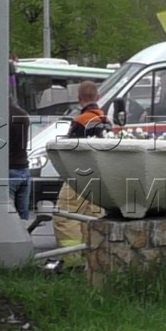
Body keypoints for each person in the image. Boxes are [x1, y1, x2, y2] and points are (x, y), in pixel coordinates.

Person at [50, 81, 109, 267]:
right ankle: (92, 260)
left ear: (78, 98)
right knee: (91, 219)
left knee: (65, 216)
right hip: (100, 178)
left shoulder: (80, 121)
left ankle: (72, 262)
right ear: (97, 97)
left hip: (79, 176)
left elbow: (71, 150)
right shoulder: (106, 120)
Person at [7, 97, 34, 222]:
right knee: (23, 214)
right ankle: (24, 237)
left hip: (8, 169)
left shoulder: (1, 116)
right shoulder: (23, 114)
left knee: (8, 214)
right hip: (24, 168)